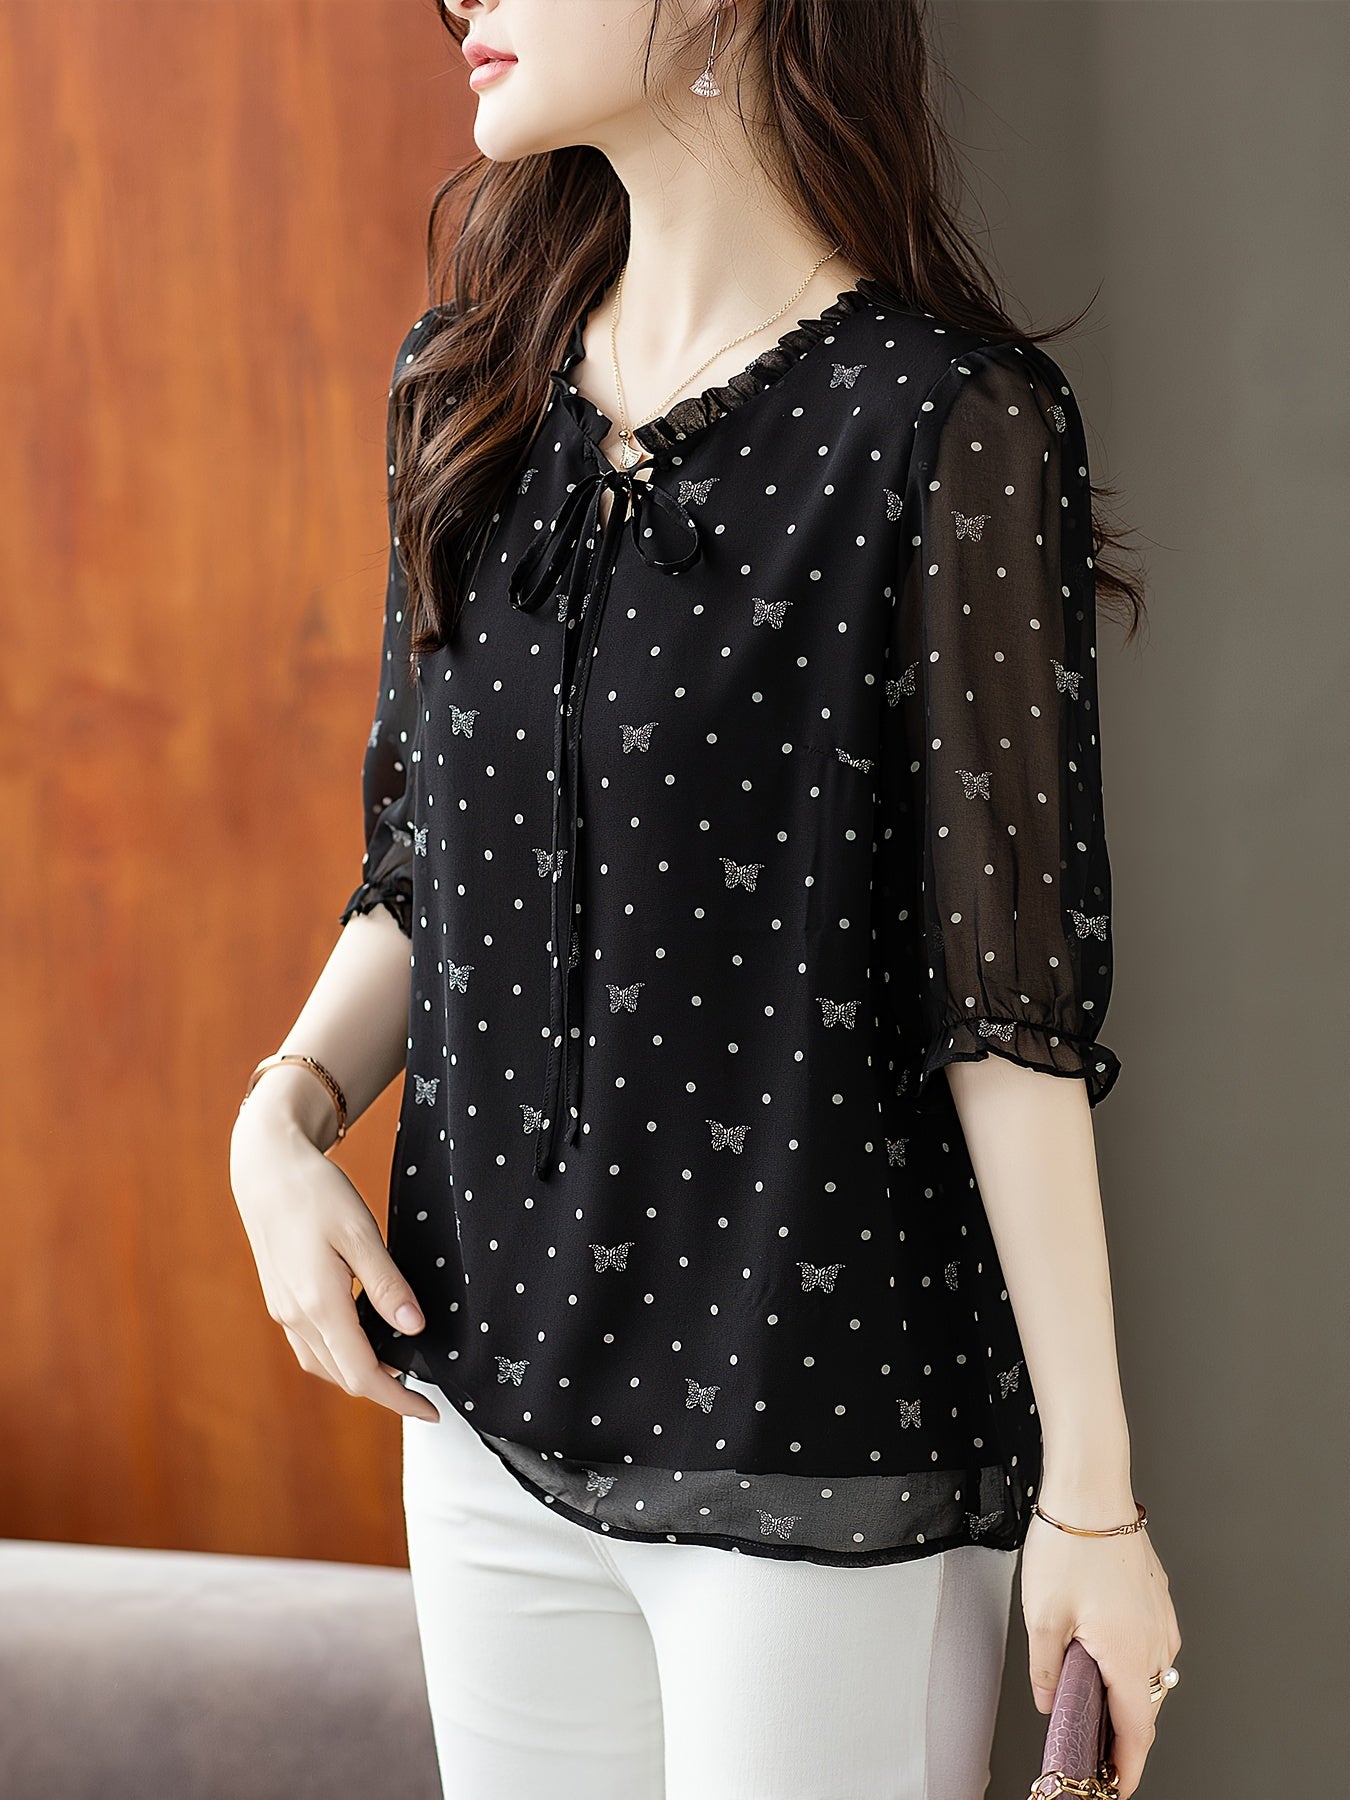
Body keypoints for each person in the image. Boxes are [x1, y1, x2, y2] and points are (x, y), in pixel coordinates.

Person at [228, 2, 1182, 1796]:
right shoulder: (465, 388)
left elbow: (1005, 1011)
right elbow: (427, 871)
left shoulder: (939, 423)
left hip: (818, 1437)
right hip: (485, 1412)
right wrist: (277, 1119)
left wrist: (1092, 1501)